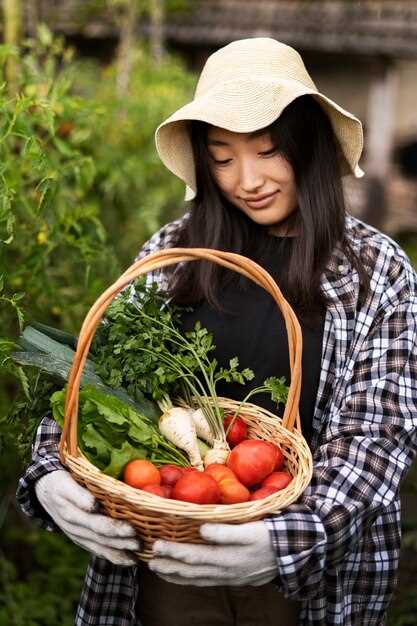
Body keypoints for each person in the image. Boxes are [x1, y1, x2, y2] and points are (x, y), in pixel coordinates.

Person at [16, 37, 417, 626]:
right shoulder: (173, 255)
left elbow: (377, 438)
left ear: (307, 146)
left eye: (268, 151)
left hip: (307, 581)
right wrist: (49, 473)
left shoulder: (376, 271)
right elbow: (92, 380)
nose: (246, 180)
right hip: (162, 560)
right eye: (223, 158)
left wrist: (279, 541)